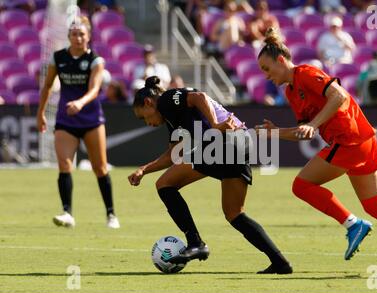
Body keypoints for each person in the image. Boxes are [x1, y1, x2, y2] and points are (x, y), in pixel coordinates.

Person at [255, 27, 377, 272]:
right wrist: (274, 132)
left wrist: (314, 124)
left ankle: (353, 224)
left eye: (267, 69)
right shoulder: (291, 92)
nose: (266, 76)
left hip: (349, 139)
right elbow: (304, 132)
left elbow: (339, 96)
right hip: (361, 140)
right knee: (375, 205)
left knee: (301, 186)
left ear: (281, 60)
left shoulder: (306, 73)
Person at [127, 76, 292, 274]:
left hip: (222, 143)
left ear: (148, 102)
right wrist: (144, 170)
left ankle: (195, 242)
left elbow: (199, 96)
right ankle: (280, 262)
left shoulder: (166, 100)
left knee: (165, 184)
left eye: (144, 117)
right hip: (239, 143)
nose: (148, 123)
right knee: (235, 214)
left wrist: (214, 125)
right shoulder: (172, 118)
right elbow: (174, 155)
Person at [36, 16, 120, 229]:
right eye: (74, 34)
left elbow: (94, 89)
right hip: (67, 119)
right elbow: (46, 87)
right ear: (69, 37)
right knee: (64, 165)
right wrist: (41, 113)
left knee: (100, 168)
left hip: (91, 119)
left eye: (82, 34)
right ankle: (67, 213)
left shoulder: (96, 61)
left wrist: (80, 103)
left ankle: (111, 214)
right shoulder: (58, 58)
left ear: (88, 37)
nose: (78, 38)